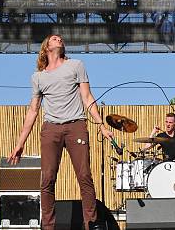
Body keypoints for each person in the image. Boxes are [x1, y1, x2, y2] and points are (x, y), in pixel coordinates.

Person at [7, 34, 113, 230]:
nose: (59, 39)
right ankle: (48, 226)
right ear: (46, 46)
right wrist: (20, 143)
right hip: (51, 129)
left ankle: (91, 224)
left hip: (76, 126)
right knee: (47, 179)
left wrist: (101, 125)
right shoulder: (38, 77)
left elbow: (87, 97)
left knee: (84, 176)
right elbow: (33, 111)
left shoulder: (76, 65)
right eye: (54, 38)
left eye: (60, 38)